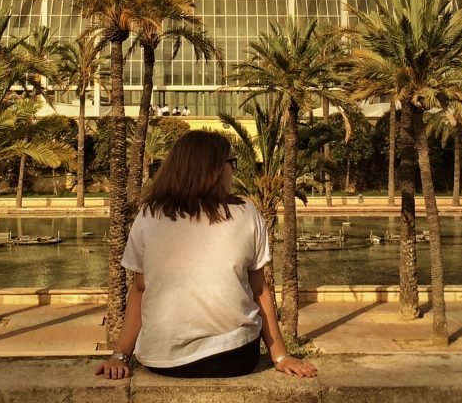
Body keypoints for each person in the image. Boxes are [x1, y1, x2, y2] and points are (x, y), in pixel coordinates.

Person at [95, 130, 316, 380]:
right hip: (236, 356)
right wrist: (280, 355)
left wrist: (121, 355)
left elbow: (139, 289)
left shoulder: (149, 215)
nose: (233, 171)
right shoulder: (245, 214)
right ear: (213, 169)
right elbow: (259, 290)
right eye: (231, 163)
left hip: (162, 359)